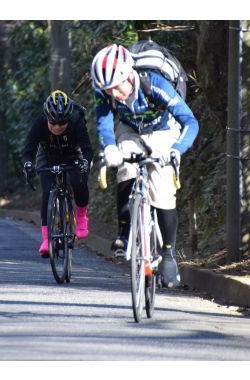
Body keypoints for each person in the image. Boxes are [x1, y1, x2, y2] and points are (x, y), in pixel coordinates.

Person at [90, 44, 199, 288]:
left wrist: (176, 151)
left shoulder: (156, 85)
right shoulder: (103, 90)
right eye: (108, 90)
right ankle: (125, 231)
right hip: (129, 130)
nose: (114, 94)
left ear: (130, 75)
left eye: (118, 87)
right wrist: (109, 148)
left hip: (163, 130)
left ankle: (169, 255)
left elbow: (190, 122)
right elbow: (104, 123)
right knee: (125, 167)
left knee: (162, 193)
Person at [22, 90, 94, 258]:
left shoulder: (76, 122)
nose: (57, 127)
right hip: (47, 156)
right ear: (47, 117)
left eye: (62, 123)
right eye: (53, 123)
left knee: (78, 181)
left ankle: (81, 217)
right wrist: (27, 164)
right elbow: (29, 150)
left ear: (68, 119)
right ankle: (47, 240)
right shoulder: (40, 123)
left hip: (72, 154)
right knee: (47, 191)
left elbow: (88, 150)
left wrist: (84, 162)